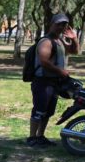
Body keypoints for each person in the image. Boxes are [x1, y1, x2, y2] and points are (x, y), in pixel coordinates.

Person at [28, 12, 80, 148]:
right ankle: (32, 138)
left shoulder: (60, 40)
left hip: (54, 82)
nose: (61, 27)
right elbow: (44, 61)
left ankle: (40, 136)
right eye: (59, 24)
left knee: (48, 111)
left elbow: (74, 51)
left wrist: (74, 39)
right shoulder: (46, 41)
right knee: (39, 110)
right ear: (51, 25)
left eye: (64, 25)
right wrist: (61, 71)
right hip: (43, 82)